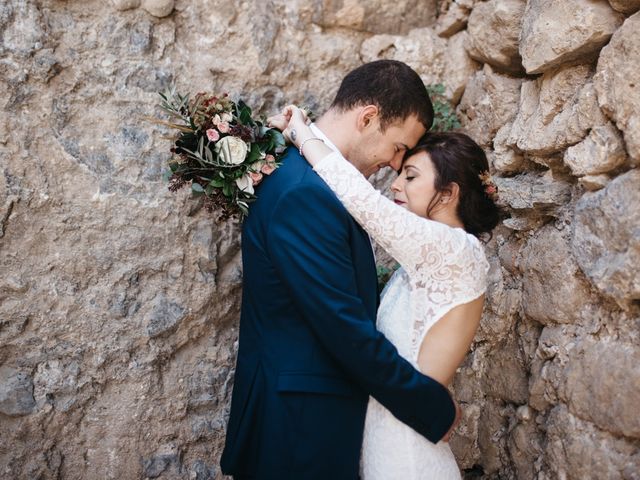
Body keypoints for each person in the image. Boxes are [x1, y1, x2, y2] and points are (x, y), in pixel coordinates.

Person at [220, 60, 459, 479]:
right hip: (296, 431)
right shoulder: (304, 193)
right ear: (368, 118)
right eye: (399, 147)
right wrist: (429, 405)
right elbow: (343, 327)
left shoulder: (314, 181)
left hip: (307, 422)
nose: (394, 164)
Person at [273, 105, 501, 479]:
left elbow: (364, 203)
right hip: (388, 439)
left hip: (408, 456)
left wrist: (303, 132)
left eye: (410, 176)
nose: (395, 183)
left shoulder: (455, 250)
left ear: (448, 193)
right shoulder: (429, 257)